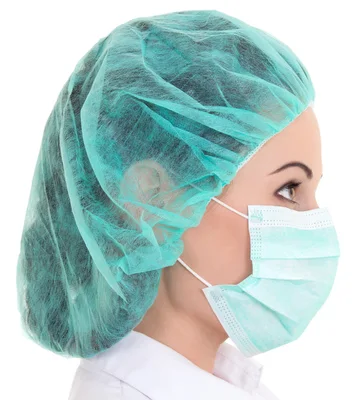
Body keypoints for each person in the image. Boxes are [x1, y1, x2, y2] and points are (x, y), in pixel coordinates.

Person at [15, 9, 340, 400]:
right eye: (288, 189)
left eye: (312, 190)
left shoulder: (225, 381)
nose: (315, 223)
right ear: (153, 198)